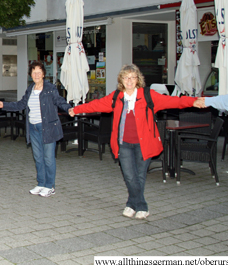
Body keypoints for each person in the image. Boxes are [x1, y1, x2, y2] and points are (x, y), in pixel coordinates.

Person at [69, 64, 203, 219]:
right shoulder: (116, 97)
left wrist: (193, 101)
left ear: (138, 79)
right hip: (123, 144)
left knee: (139, 176)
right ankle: (141, 205)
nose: (130, 80)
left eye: (133, 77)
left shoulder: (148, 95)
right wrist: (77, 109)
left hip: (143, 144)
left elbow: (172, 101)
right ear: (121, 80)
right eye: (126, 77)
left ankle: (131, 204)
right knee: (129, 176)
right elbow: (96, 105)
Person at [0, 61, 71, 197]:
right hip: (33, 127)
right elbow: (20, 104)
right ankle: (41, 183)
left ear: (44, 74)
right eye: (34, 72)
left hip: (48, 128)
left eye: (39, 72)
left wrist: (69, 109)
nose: (36, 75)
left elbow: (59, 101)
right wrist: (3, 105)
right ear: (30, 75)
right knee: (38, 157)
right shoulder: (30, 89)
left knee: (48, 158)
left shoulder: (50, 88)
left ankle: (49, 186)